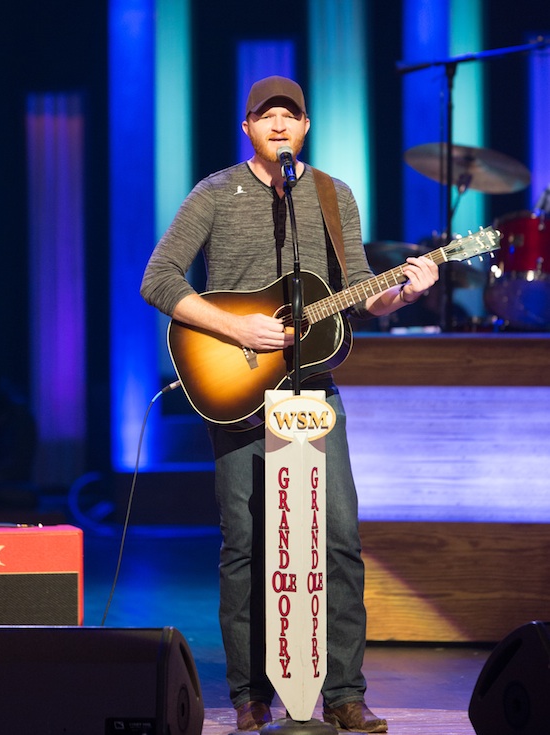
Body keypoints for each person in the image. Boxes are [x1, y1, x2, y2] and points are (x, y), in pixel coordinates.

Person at [141, 76, 439, 733]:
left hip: (311, 389)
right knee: (247, 543)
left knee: (338, 537)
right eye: (264, 115)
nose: (278, 125)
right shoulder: (214, 193)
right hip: (236, 388)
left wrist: (403, 293)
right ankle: (251, 694)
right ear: (246, 127)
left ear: (305, 128)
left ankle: (345, 695)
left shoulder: (333, 195)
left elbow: (363, 290)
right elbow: (158, 278)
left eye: (290, 115)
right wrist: (237, 329)